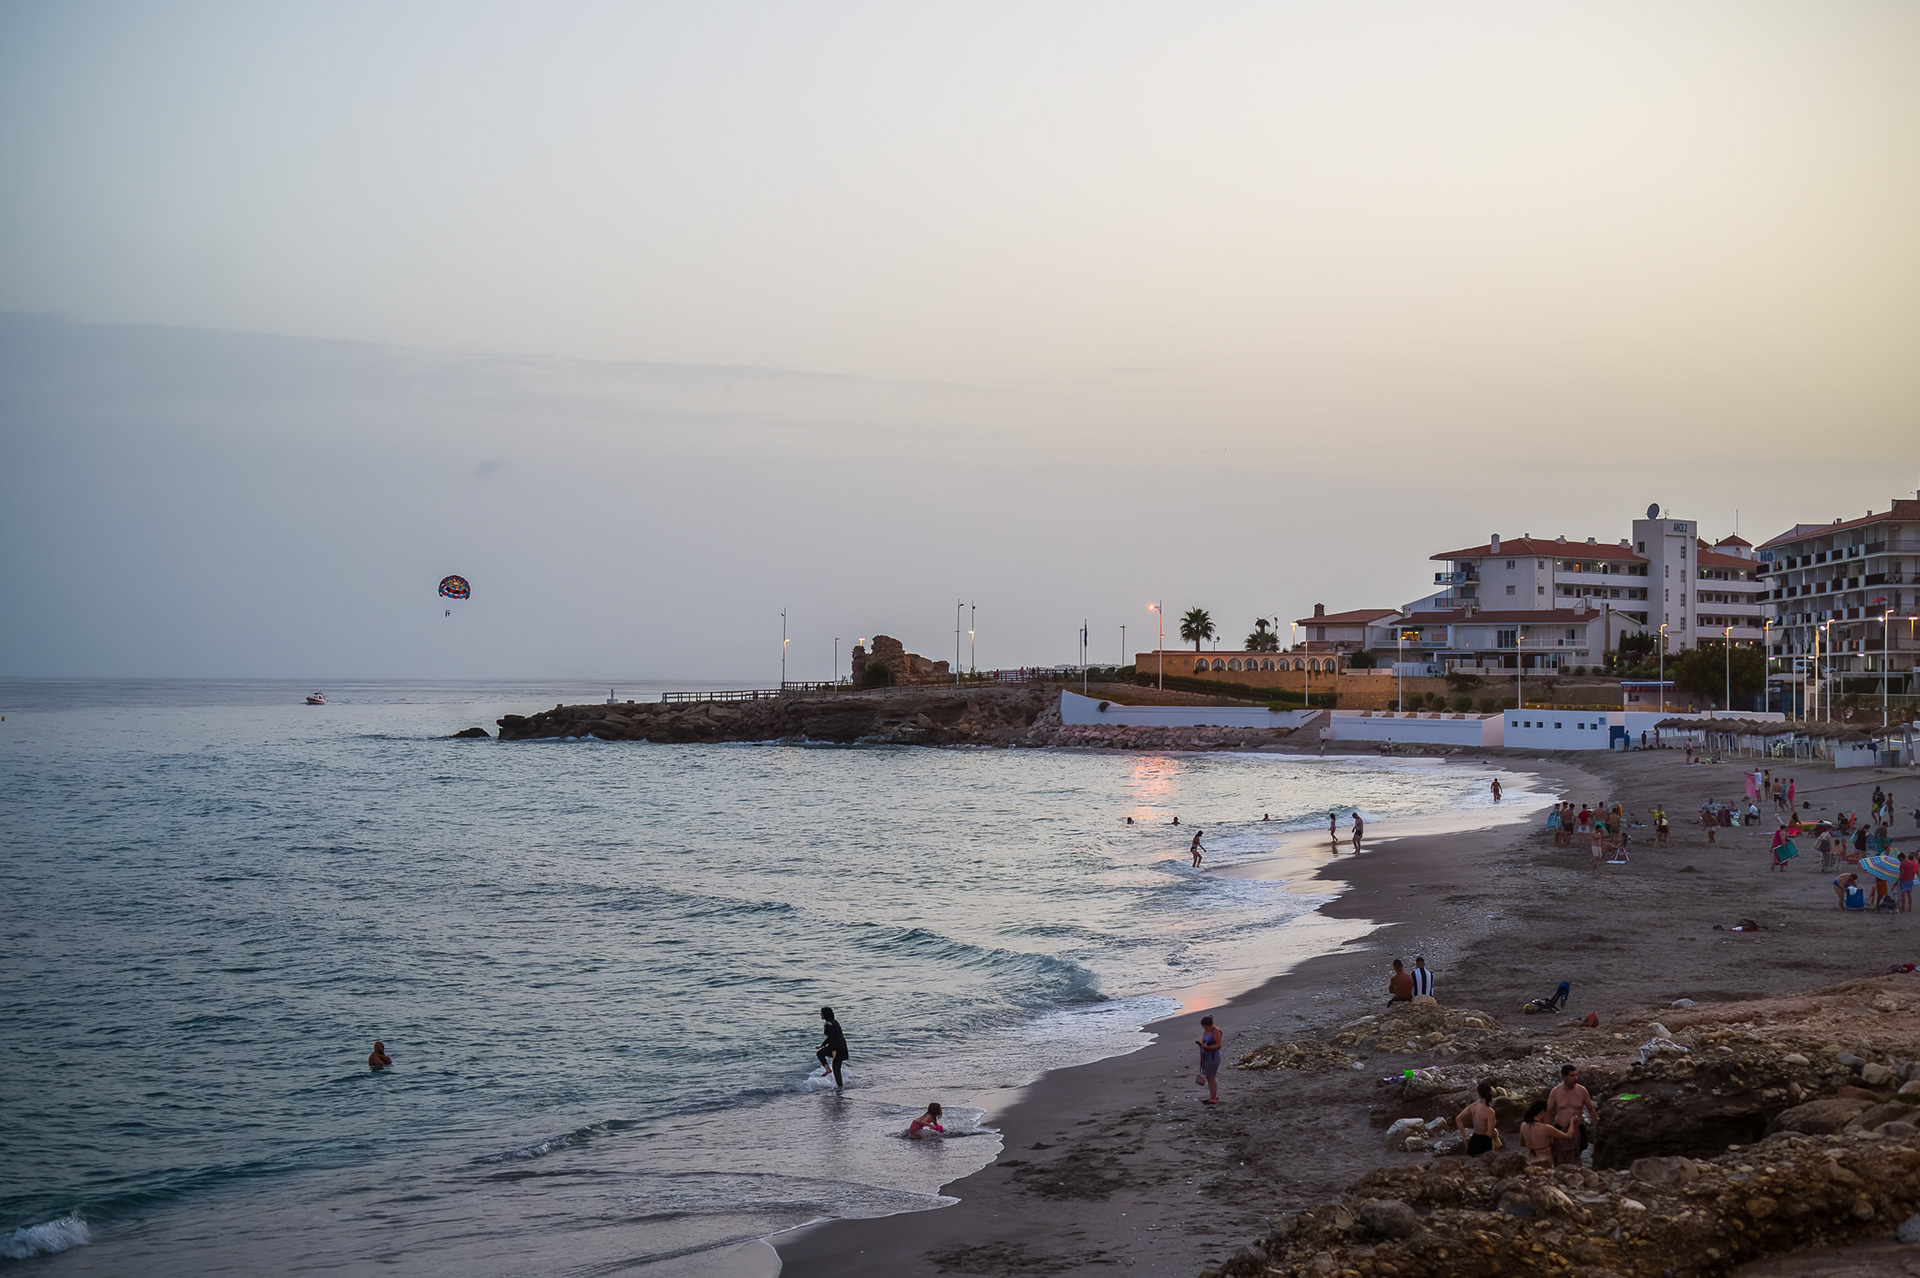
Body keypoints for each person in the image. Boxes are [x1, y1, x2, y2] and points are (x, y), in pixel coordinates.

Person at [1546, 1064, 1596, 1167]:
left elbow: (1591, 1109)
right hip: (1560, 1127)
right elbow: (1549, 1112)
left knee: (1578, 1155)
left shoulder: (1582, 1091)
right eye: (1572, 1076)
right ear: (1564, 1077)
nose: (1575, 1078)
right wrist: (1545, 1130)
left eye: (1576, 1075)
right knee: (1559, 1156)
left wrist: (1596, 1126)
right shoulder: (1555, 1092)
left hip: (1578, 1128)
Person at [1519, 1100, 1573, 1166]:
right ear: (1541, 1112)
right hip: (1545, 1160)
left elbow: (1522, 1143)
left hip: (1530, 1158)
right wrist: (1572, 1123)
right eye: (1546, 1112)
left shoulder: (1523, 1125)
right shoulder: (1546, 1128)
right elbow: (1568, 1135)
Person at [1456, 1081, 1499, 1156]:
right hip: (1485, 1142)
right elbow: (1489, 1133)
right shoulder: (1490, 1111)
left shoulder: (1473, 1106)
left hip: (1474, 1140)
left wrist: (1465, 1137)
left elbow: (1458, 1119)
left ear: (1479, 1093)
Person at [815, 1006, 850, 1088]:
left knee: (820, 1054)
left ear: (825, 1014)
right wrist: (822, 1045)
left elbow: (832, 1037)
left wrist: (833, 1050)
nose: (820, 1014)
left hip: (836, 1047)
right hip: (842, 1046)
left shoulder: (828, 1024)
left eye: (821, 1013)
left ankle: (827, 1069)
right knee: (836, 1068)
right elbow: (832, 1036)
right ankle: (840, 1087)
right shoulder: (834, 1022)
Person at [1195, 1015, 1224, 1104]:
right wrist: (1202, 1045)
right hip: (1206, 1056)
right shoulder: (1206, 1031)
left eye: (1205, 1026)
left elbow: (1219, 1045)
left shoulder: (1216, 1031)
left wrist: (1207, 1047)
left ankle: (1213, 1099)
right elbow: (1204, 1041)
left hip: (1213, 1057)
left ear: (1209, 1025)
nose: (1204, 1028)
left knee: (1211, 1077)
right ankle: (1212, 1096)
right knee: (1209, 1077)